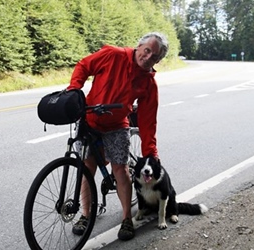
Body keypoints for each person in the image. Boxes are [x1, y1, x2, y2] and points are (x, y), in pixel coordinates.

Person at [66, 32, 168, 241]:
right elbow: (84, 65)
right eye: (147, 50)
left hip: (117, 124)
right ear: (138, 46)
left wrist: (150, 153)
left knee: (120, 168)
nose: (148, 57)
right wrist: (74, 89)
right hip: (90, 119)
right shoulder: (113, 55)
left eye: (154, 56)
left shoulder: (149, 83)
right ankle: (85, 216)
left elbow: (148, 121)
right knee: (87, 168)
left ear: (158, 61)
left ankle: (126, 219)